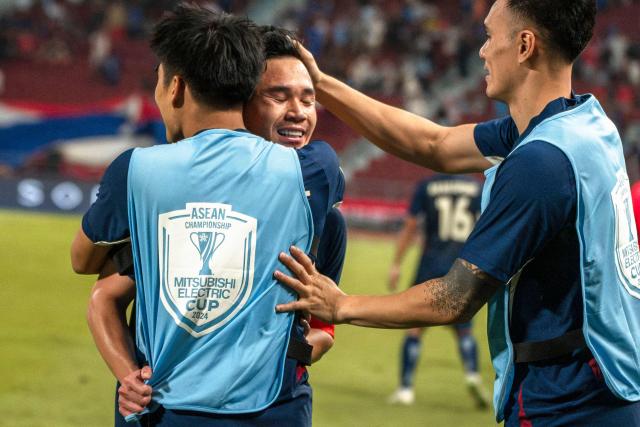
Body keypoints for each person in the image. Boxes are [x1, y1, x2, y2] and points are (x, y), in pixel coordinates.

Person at [274, 1, 640, 425]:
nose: (482, 51)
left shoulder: (541, 162)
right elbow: (436, 145)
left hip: (572, 401)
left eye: (489, 36)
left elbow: (455, 297)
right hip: (608, 384)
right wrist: (322, 85)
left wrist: (342, 305)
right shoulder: (585, 123)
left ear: (524, 45)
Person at [71, 6, 343, 426]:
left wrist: (294, 351)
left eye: (309, 98)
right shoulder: (315, 172)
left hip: (164, 409)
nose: (299, 111)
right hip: (263, 411)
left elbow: (83, 264)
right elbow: (104, 298)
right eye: (279, 95)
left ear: (175, 87)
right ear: (245, 93)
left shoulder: (138, 173)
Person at [387, 174, 489, 408]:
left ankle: (405, 389)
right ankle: (472, 375)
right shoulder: (476, 188)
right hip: (462, 265)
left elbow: (411, 225)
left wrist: (396, 264)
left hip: (430, 264)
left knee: (415, 327)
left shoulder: (427, 186)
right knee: (464, 329)